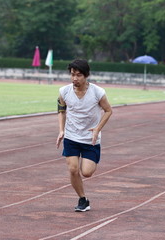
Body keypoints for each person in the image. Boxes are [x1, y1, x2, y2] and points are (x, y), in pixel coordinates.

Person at [56, 59, 112, 212]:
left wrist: (97, 129)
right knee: (73, 170)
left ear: (86, 75)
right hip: (71, 136)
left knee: (86, 173)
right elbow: (61, 111)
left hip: (90, 139)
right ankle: (82, 199)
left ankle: (83, 197)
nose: (75, 79)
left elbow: (108, 111)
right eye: (72, 75)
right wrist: (61, 130)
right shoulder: (64, 92)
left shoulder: (98, 92)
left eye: (79, 75)